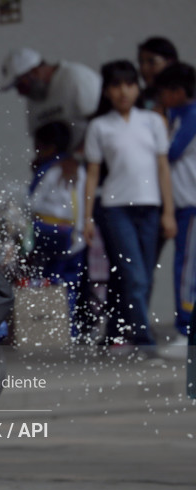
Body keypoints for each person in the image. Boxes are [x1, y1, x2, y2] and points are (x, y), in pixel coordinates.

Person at [83, 60, 176, 355]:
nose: (123, 91)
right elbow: (93, 174)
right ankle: (144, 340)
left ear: (138, 88)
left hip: (150, 207)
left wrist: (169, 211)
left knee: (142, 277)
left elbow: (163, 169)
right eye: (116, 85)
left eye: (129, 84)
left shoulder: (153, 121)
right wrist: (85, 218)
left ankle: (115, 331)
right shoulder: (99, 126)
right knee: (134, 274)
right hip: (114, 208)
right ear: (107, 91)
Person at [0, 47, 100, 181]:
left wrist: (76, 158)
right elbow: (40, 138)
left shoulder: (75, 77)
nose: (20, 93)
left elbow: (101, 125)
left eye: (20, 85)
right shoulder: (34, 98)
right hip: (67, 170)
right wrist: (41, 160)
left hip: (97, 167)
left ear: (34, 72)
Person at [28, 121, 88, 340]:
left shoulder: (49, 170)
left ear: (48, 146)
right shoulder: (76, 168)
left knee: (50, 281)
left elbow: (33, 204)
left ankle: (51, 331)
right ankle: (69, 331)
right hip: (75, 236)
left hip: (52, 233)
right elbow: (82, 202)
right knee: (70, 285)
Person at [156, 62, 196, 346]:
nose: (161, 100)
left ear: (178, 91)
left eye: (164, 93)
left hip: (191, 203)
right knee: (185, 266)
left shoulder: (191, 114)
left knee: (186, 268)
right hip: (183, 204)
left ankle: (185, 329)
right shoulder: (175, 114)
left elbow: (169, 151)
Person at [137, 37, 179, 114]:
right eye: (141, 62)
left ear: (170, 62)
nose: (144, 68)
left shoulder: (187, 98)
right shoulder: (139, 98)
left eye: (151, 62)